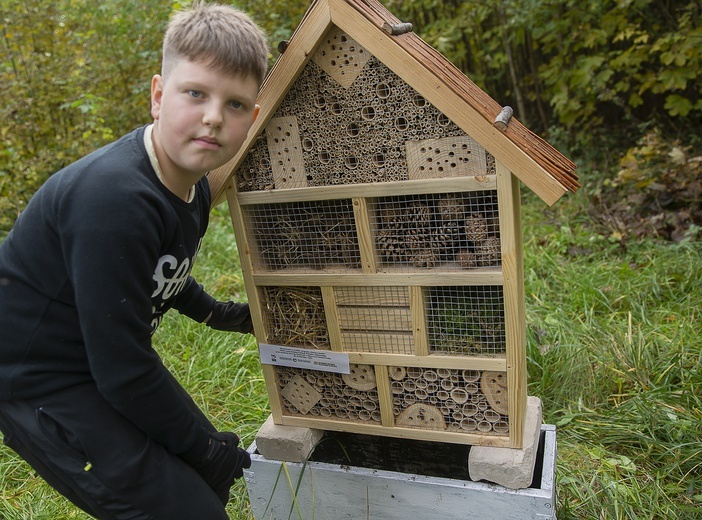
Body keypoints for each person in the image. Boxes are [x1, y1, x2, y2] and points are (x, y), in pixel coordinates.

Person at [0, 3, 268, 518]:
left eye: (235, 104)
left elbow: (155, 270)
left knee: (202, 484)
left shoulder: (191, 185)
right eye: (196, 93)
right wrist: (206, 450)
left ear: (252, 119)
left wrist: (218, 313)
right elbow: (123, 369)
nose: (214, 116)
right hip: (38, 380)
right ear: (157, 95)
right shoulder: (113, 201)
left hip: (98, 362)